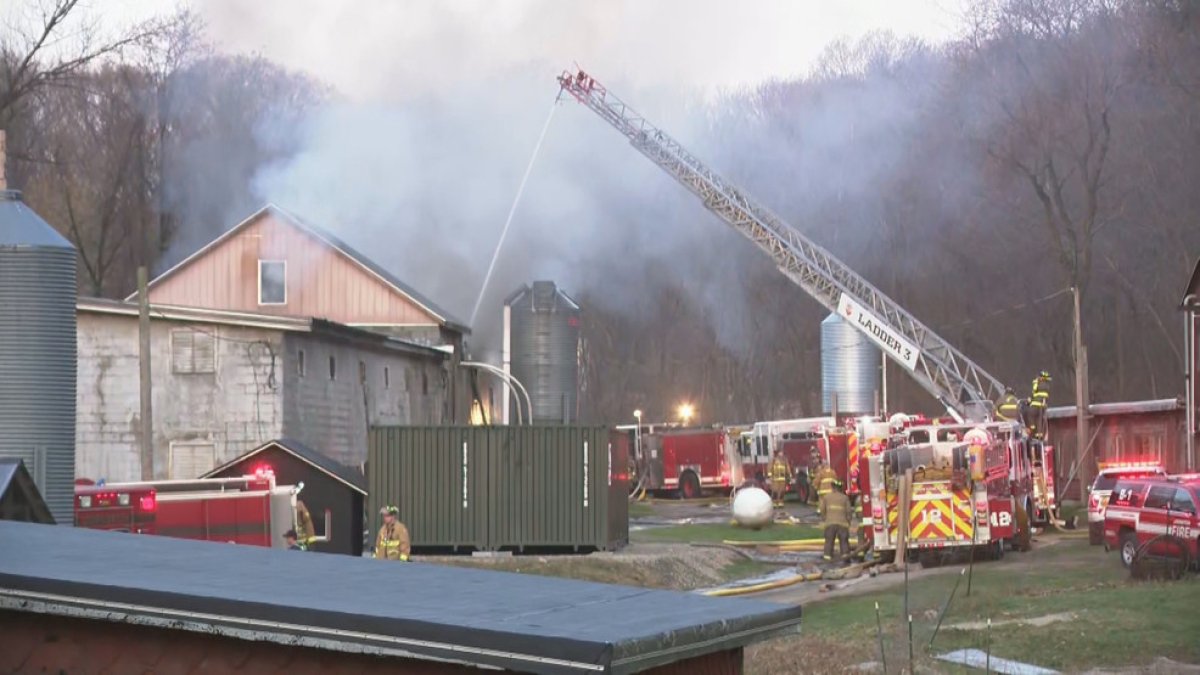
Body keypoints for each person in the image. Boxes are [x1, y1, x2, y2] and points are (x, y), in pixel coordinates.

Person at [820, 479, 852, 562]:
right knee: (844, 542)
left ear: (833, 487)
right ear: (841, 488)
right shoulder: (845, 498)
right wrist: (849, 521)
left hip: (830, 523)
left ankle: (827, 558)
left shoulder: (827, 497)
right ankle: (845, 557)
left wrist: (824, 518)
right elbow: (848, 511)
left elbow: (822, 509)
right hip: (843, 524)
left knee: (829, 541)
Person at [1029, 371, 1051, 439]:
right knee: (1040, 420)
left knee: (1031, 417)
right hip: (1042, 406)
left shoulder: (1037, 383)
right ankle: (1039, 435)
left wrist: (1029, 399)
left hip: (1035, 404)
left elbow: (1034, 391)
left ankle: (1033, 432)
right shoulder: (1047, 386)